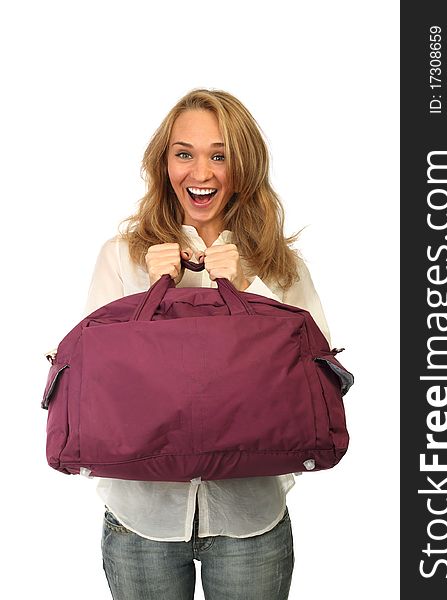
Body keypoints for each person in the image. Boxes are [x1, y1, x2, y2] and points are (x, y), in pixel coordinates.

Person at [84, 88, 332, 600]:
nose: (201, 173)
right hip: (141, 518)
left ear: (243, 166)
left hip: (249, 516)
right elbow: (97, 385)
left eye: (220, 155)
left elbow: (320, 377)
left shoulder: (278, 265)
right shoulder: (122, 256)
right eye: (185, 154)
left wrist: (250, 288)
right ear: (164, 163)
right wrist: (145, 299)